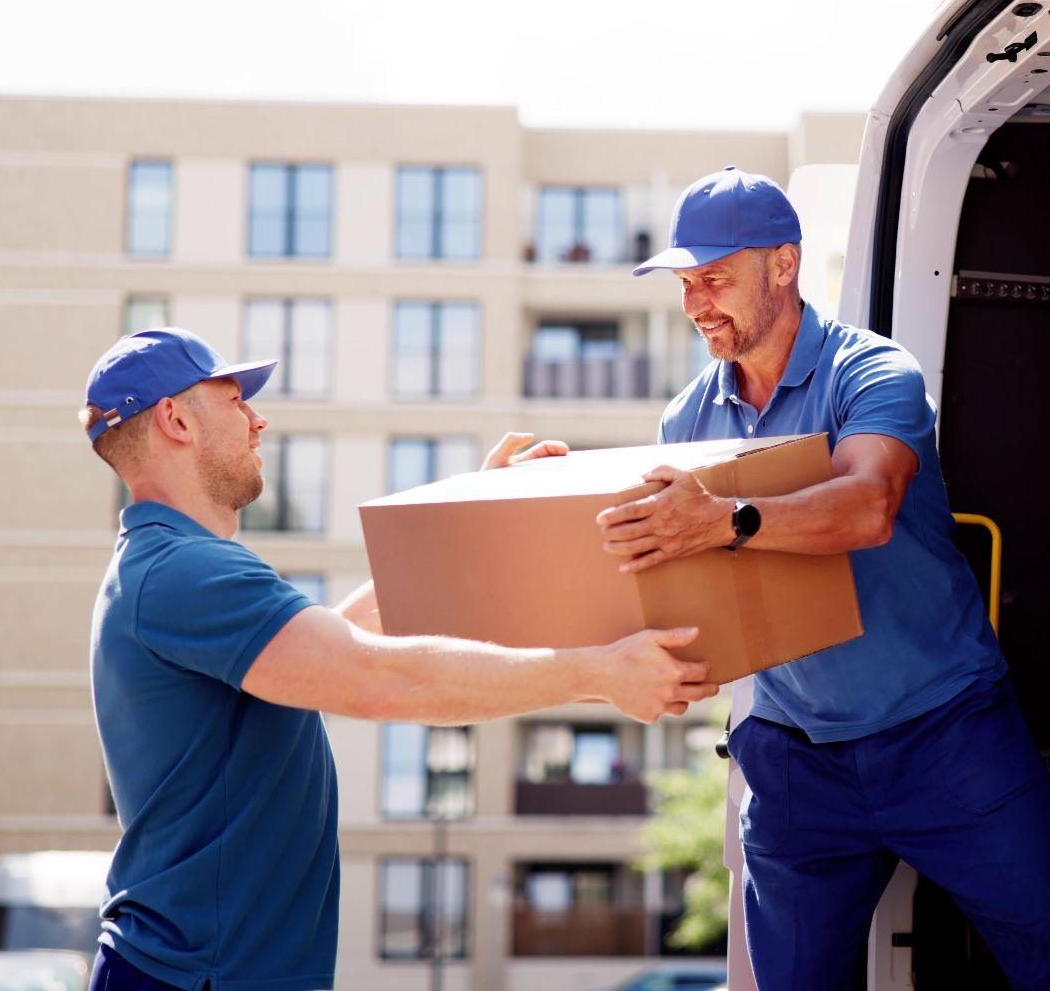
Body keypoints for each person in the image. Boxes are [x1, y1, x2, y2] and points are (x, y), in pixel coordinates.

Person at [77, 328, 717, 991]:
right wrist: (598, 672)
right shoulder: (184, 573)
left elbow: (341, 648)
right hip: (197, 977)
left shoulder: (167, 567)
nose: (257, 417)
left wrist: (465, 521)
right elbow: (377, 679)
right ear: (177, 420)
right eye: (235, 400)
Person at [596, 167, 1050, 988]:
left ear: (784, 265)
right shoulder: (686, 417)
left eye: (716, 280)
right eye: (688, 286)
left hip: (946, 734)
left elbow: (867, 507)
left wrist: (727, 519)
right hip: (797, 760)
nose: (698, 306)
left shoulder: (872, 373)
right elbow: (678, 564)